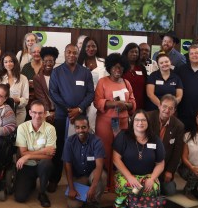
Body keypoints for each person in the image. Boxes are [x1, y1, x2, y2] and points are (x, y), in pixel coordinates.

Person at [49, 43, 94, 189]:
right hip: (63, 116)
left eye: (74, 53)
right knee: (60, 147)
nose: (71, 55)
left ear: (78, 54)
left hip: (81, 118)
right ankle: (54, 179)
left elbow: (90, 93)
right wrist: (69, 109)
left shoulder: (85, 72)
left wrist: (79, 108)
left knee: (80, 147)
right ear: (65, 53)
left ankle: (79, 179)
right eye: (69, 52)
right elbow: (53, 93)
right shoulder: (57, 72)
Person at [93, 52, 135, 187]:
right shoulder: (102, 82)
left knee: (120, 152)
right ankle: (104, 182)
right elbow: (97, 102)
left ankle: (116, 183)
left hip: (122, 122)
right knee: (104, 151)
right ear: (109, 67)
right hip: (105, 122)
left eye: (121, 67)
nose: (118, 70)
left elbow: (133, 102)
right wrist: (114, 104)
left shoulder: (127, 83)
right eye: (115, 67)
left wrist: (126, 105)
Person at [112, 109, 165, 208]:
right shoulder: (123, 136)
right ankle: (131, 201)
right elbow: (115, 159)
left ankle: (130, 201)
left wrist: (152, 178)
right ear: (132, 122)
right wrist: (130, 177)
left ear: (148, 122)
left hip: (147, 176)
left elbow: (160, 163)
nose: (140, 123)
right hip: (126, 176)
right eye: (137, 120)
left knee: (153, 187)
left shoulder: (155, 139)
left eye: (143, 120)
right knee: (126, 186)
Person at [14, 101, 57, 207]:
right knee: (20, 198)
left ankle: (42, 193)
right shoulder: (22, 128)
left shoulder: (50, 129)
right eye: (35, 112)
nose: (37, 116)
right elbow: (22, 153)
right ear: (30, 113)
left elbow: (50, 155)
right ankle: (31, 183)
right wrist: (43, 151)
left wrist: (29, 155)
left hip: (42, 165)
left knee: (46, 163)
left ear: (45, 114)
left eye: (40, 113)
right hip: (27, 165)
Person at [62, 114, 106, 208]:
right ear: (74, 128)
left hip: (93, 175)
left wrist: (93, 187)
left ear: (88, 127)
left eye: (83, 127)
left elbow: (99, 166)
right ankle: (87, 196)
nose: (80, 130)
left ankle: (94, 202)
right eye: (77, 127)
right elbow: (67, 166)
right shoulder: (69, 141)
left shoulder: (97, 141)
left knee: (102, 176)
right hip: (79, 177)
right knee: (73, 206)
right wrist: (72, 188)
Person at [148, 94, 185, 195]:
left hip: (164, 167)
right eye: (164, 106)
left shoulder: (179, 126)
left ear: (174, 110)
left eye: (170, 108)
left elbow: (177, 152)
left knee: (170, 191)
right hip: (146, 165)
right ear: (159, 106)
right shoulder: (147, 118)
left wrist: (170, 171)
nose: (167, 110)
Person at [0, 52, 29, 124]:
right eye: (5, 62)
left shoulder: (23, 78)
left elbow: (26, 99)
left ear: (15, 63)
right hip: (0, 112)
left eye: (11, 61)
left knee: (15, 133)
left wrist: (17, 100)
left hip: (18, 112)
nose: (8, 64)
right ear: (3, 64)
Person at [32, 46, 57, 118]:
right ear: (42, 62)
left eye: (50, 61)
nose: (48, 64)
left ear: (54, 62)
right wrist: (48, 113)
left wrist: (57, 111)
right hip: (44, 111)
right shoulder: (37, 78)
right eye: (45, 61)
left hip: (58, 110)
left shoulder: (59, 76)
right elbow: (41, 97)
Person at [121, 42, 147, 111]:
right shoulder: (121, 67)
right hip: (125, 102)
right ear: (126, 53)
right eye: (132, 52)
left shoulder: (141, 68)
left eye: (136, 52)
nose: (134, 54)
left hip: (140, 102)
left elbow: (146, 85)